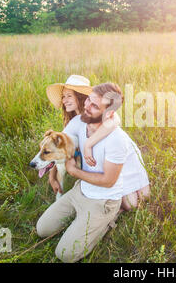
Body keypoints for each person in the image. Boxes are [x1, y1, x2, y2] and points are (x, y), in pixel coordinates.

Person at [36, 80, 150, 262]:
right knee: (42, 229)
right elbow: (58, 144)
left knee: (64, 255)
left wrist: (74, 172)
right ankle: (81, 220)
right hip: (80, 191)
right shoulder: (79, 121)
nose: (87, 107)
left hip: (103, 200)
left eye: (94, 105)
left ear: (108, 113)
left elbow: (108, 181)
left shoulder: (116, 139)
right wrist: (52, 174)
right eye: (88, 100)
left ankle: (108, 219)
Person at [45, 75, 150, 210]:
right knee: (131, 204)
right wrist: (52, 177)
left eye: (69, 96)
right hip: (104, 162)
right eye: (63, 97)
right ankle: (116, 200)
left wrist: (89, 144)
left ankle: (120, 197)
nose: (64, 100)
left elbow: (115, 119)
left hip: (123, 156)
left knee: (143, 197)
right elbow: (60, 149)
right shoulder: (74, 122)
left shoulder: (95, 112)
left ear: (80, 96)